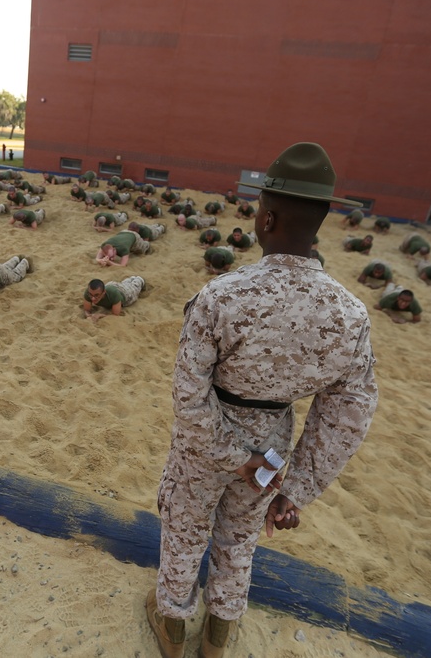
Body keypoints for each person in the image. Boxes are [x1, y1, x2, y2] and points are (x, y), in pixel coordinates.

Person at [146, 142, 377, 658]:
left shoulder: (222, 296)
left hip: (206, 444)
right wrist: (296, 487)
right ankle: (217, 640)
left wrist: (233, 457)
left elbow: (189, 400)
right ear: (318, 224)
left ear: (266, 217)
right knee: (239, 540)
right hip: (273, 447)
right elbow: (348, 413)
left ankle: (173, 632)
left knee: (184, 531)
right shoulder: (350, 315)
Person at [81, 276, 146, 321]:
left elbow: (115, 314)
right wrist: (89, 316)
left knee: (135, 285)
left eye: (96, 295)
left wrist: (99, 315)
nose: (93, 298)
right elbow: (87, 310)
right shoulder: (88, 292)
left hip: (125, 293)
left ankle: (138, 278)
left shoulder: (114, 294)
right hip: (112, 285)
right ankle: (131, 278)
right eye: (91, 295)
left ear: (103, 292)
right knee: (125, 283)